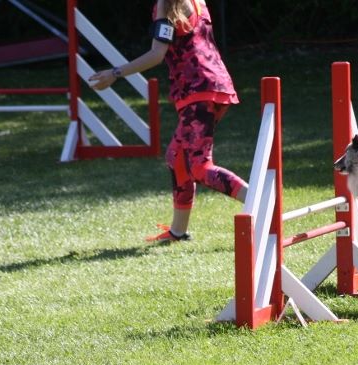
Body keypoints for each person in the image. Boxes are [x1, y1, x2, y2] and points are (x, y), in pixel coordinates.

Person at [89, 0, 247, 242]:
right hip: (214, 86)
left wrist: (114, 73)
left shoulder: (165, 5)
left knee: (200, 166)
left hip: (198, 91)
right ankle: (178, 232)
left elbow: (156, 54)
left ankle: (261, 198)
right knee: (177, 157)